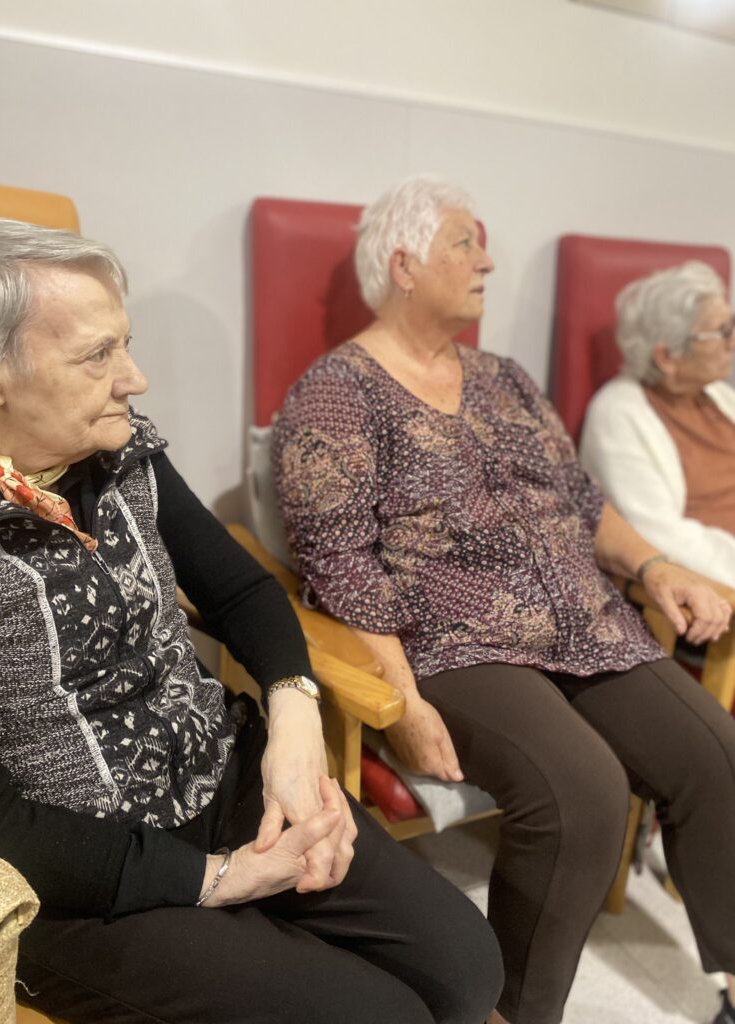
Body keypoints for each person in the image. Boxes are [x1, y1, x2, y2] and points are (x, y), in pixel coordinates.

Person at [0, 218, 503, 1024]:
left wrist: (295, 724)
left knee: (466, 969)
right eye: (97, 356)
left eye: (125, 344)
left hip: (219, 770)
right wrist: (219, 880)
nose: (135, 378)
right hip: (79, 869)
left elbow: (243, 592)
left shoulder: (118, 449)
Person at [272, 175, 735, 1024]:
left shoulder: (505, 378)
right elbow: (339, 570)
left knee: (715, 755)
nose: (487, 261)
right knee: (582, 794)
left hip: (586, 620)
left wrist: (655, 566)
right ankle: (516, 1013)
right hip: (457, 640)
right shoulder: (334, 395)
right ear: (405, 265)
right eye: (465, 244)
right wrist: (403, 700)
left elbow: (582, 501)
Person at [580, 260, 735, 586]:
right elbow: (657, 537)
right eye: (721, 332)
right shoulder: (619, 415)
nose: (732, 342)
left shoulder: (719, 396)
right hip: (714, 590)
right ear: (667, 357)